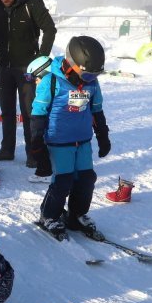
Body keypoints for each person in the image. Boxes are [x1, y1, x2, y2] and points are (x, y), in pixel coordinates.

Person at [31, 36, 110, 240]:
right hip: (60, 142)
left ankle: (76, 214)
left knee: (86, 179)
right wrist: (37, 147)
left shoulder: (92, 84)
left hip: (83, 140)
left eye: (95, 75)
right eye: (88, 74)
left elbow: (97, 110)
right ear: (72, 63)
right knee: (63, 181)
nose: (90, 79)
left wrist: (103, 135)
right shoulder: (51, 81)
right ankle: (49, 216)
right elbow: (38, 115)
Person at [0, 0, 57, 169]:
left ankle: (33, 153)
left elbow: (50, 29)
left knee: (29, 112)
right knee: (7, 111)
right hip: (4, 67)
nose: (4, 0)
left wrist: (42, 58)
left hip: (27, 68)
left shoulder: (31, 2)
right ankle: (7, 149)